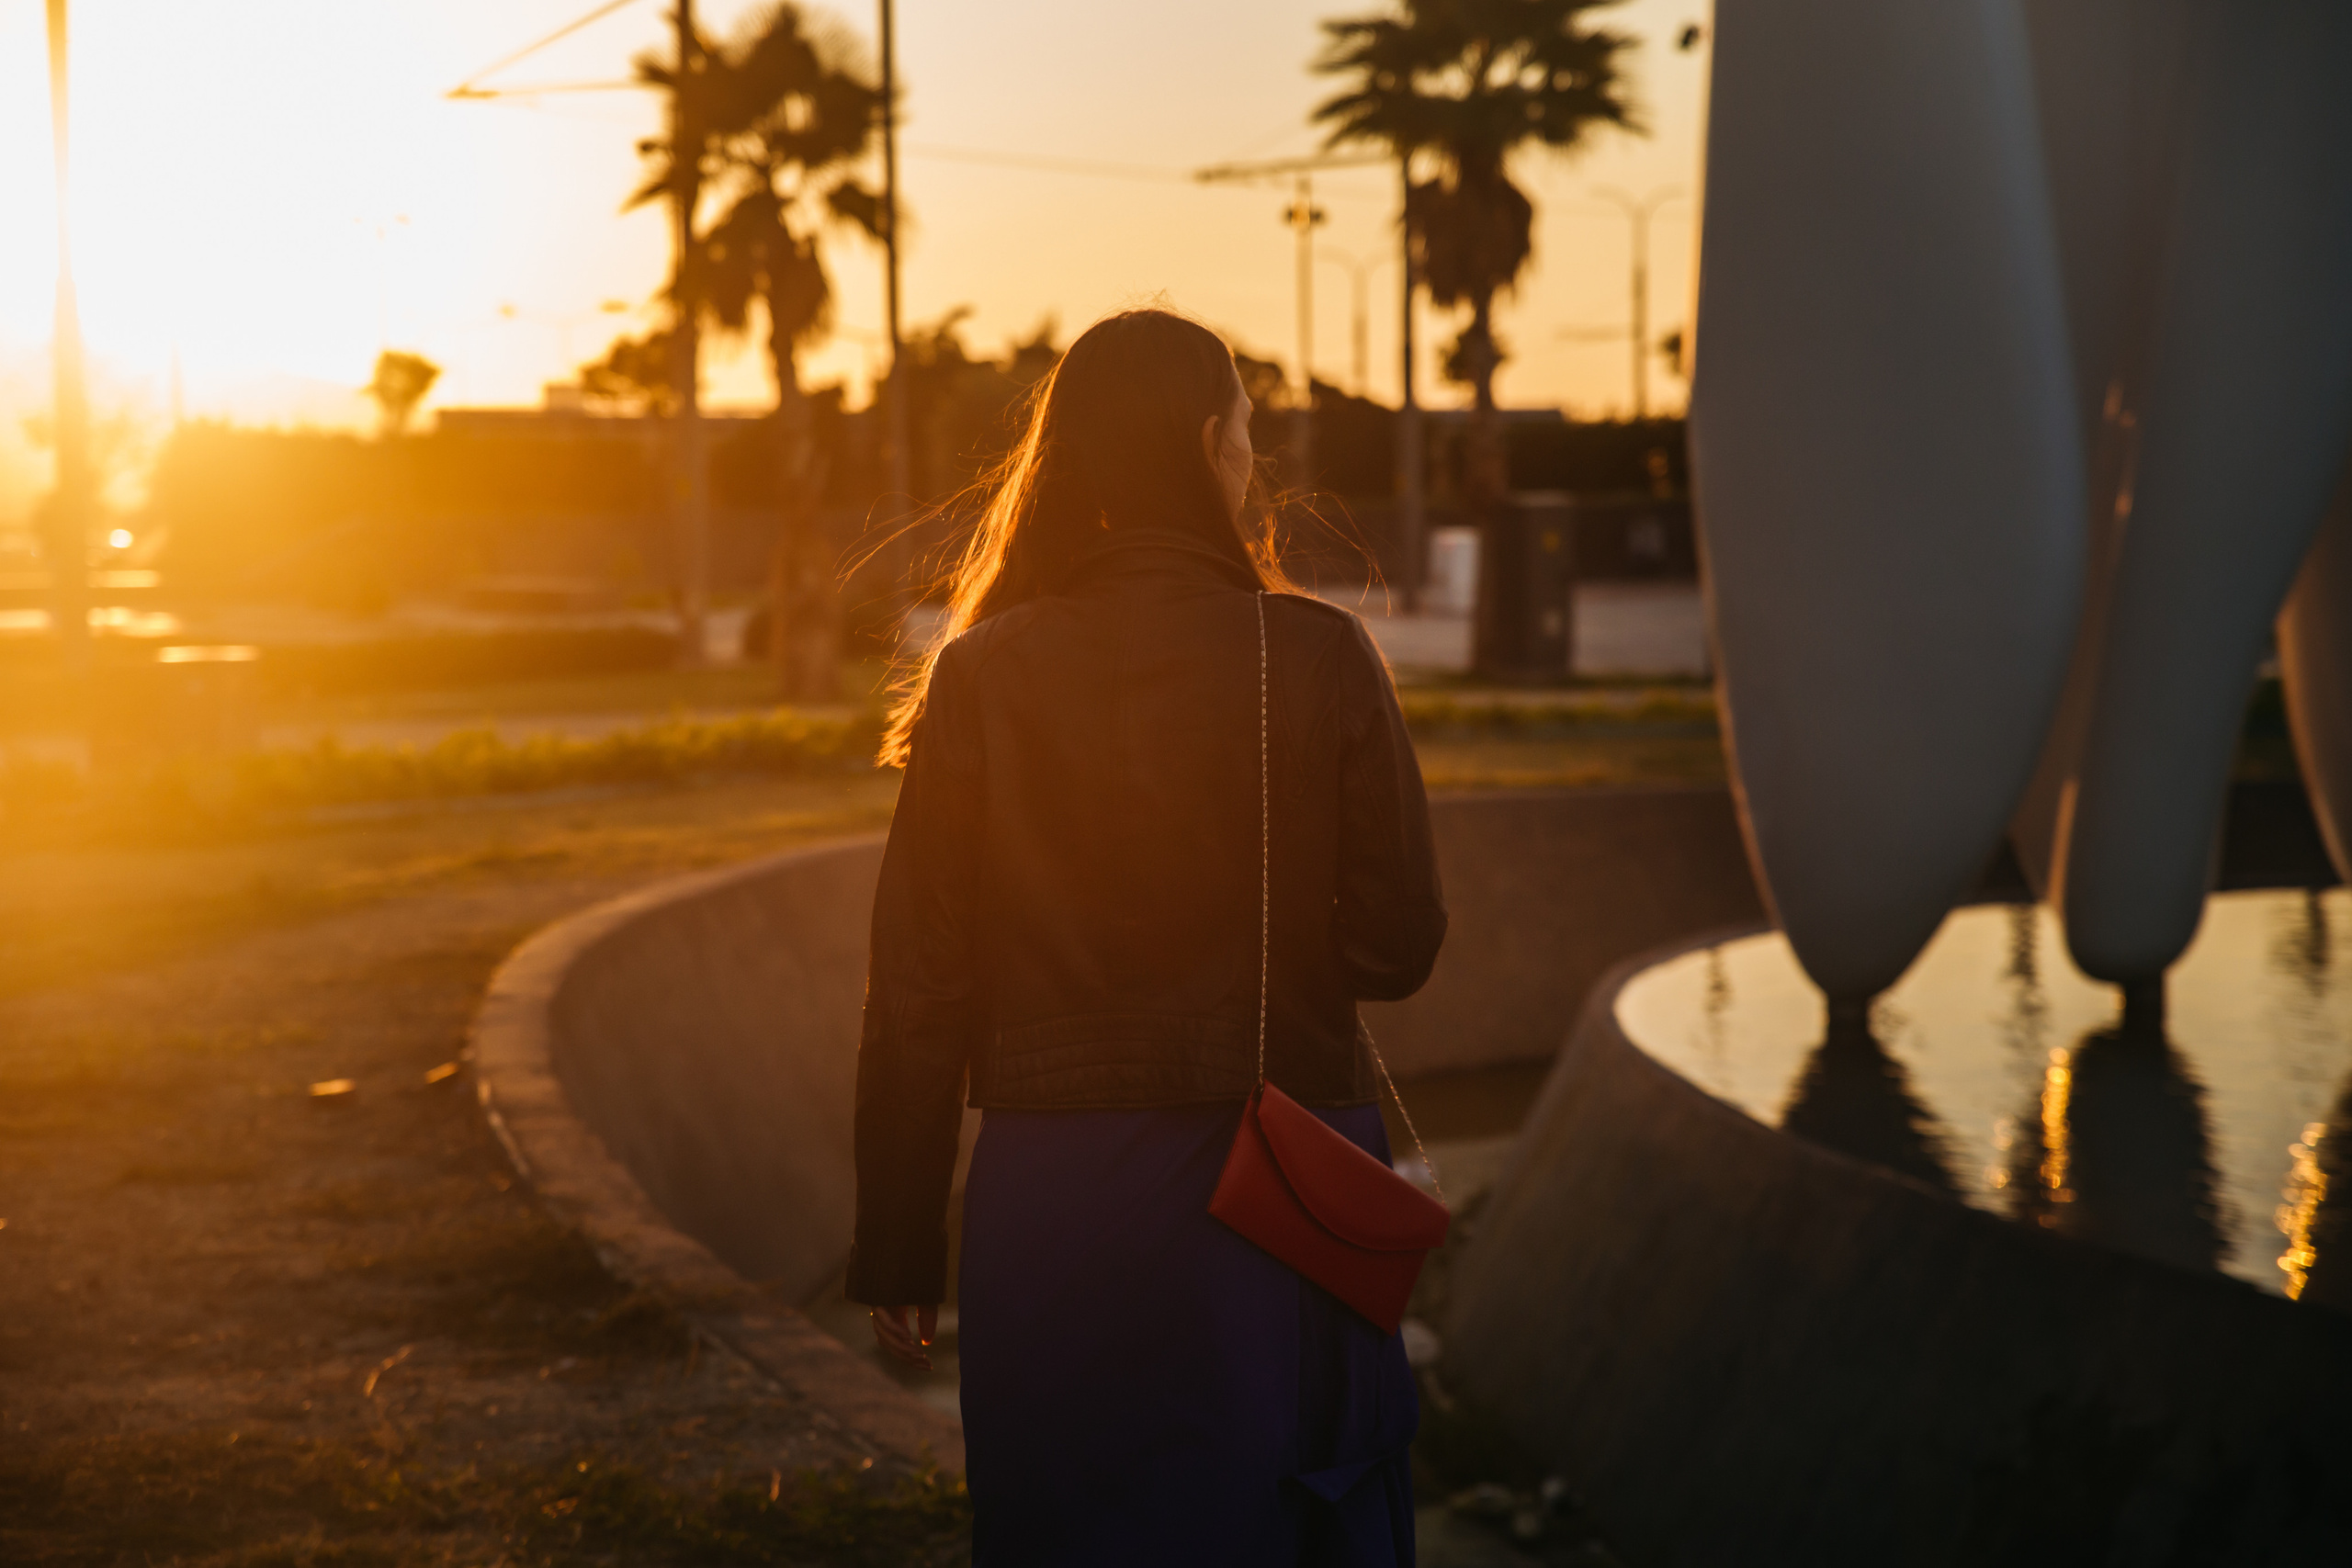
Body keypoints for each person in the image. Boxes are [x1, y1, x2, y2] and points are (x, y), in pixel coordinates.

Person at [850, 306, 1447, 1565]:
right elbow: (1399, 951)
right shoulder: (1322, 658)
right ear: (1203, 445)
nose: (1249, 459)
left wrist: (899, 1244)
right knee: (1295, 1514)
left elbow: (915, 987)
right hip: (1279, 1174)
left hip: (1048, 1197)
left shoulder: (982, 674)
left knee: (1068, 1523)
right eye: (1242, 431)